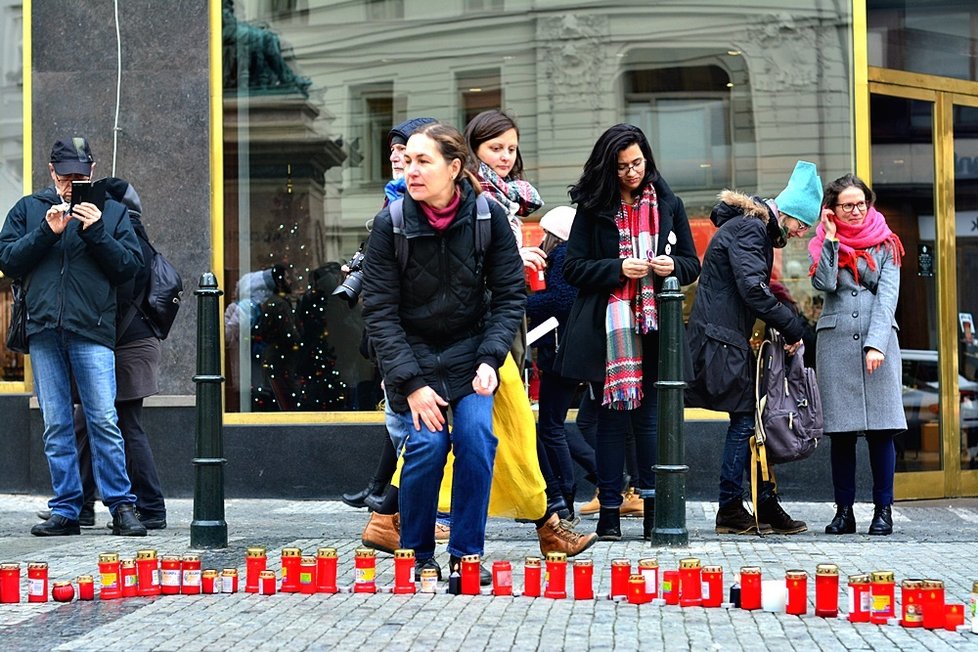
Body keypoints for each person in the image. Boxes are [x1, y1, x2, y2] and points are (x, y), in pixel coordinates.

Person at [361, 122, 525, 579]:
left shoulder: (488, 218)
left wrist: (491, 357)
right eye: (407, 160)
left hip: (472, 355)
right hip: (413, 359)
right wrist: (411, 384)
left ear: (454, 168)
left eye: (422, 161)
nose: (410, 170)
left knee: (475, 441)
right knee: (428, 447)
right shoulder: (390, 223)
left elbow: (511, 294)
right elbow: (379, 312)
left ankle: (466, 555)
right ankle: (416, 554)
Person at [557, 124, 700, 541]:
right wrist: (617, 268)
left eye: (637, 163)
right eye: (622, 167)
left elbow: (691, 263)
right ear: (609, 168)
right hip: (609, 329)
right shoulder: (593, 207)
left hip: (656, 328)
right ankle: (609, 514)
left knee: (651, 421)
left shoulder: (669, 202)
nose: (632, 173)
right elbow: (573, 268)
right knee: (611, 424)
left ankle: (655, 510)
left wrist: (671, 268)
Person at [0, 137, 146, 536]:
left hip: (92, 329)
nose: (72, 184)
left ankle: (121, 506)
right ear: (51, 172)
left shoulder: (112, 213)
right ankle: (65, 509)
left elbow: (130, 268)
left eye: (80, 176)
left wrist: (95, 230)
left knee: (103, 419)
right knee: (57, 423)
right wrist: (46, 232)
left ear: (93, 172)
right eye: (66, 176)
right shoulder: (30, 210)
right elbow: (7, 260)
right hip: (45, 329)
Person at [465, 111, 596, 554]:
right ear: (474, 150)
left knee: (495, 429)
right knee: (510, 426)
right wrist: (514, 257)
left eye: (510, 148)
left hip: (499, 320)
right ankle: (549, 521)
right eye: (494, 148)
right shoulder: (472, 194)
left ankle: (548, 521)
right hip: (477, 326)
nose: (504, 157)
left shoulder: (507, 199)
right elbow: (470, 256)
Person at [685, 160, 822, 536]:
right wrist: (794, 327)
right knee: (747, 420)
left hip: (725, 339)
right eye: (801, 224)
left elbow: (756, 288)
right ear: (789, 214)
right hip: (720, 341)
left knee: (753, 421)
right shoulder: (750, 229)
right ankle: (731, 506)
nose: (800, 232)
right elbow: (753, 290)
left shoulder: (752, 229)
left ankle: (763, 504)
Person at [810, 174, 907, 536]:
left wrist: (876, 343)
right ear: (832, 211)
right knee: (842, 434)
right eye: (847, 205)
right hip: (836, 345)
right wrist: (832, 240)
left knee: (883, 431)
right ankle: (843, 511)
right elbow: (825, 283)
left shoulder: (887, 243)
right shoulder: (822, 243)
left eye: (860, 204)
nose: (855, 211)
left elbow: (888, 296)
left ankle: (884, 511)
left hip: (877, 341)